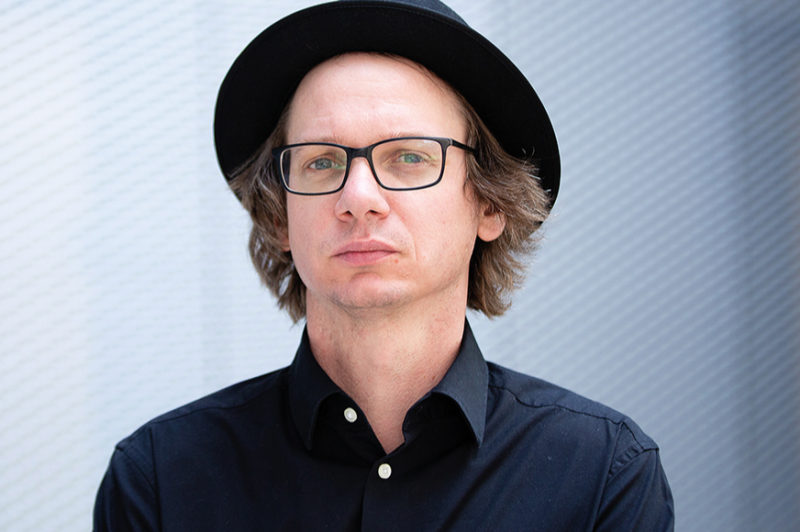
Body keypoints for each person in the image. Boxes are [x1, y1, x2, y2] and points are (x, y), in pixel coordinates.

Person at [94, 1, 674, 530]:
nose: (358, 197)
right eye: (322, 162)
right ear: (280, 218)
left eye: (409, 157)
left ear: (490, 204)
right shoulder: (160, 481)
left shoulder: (601, 478)